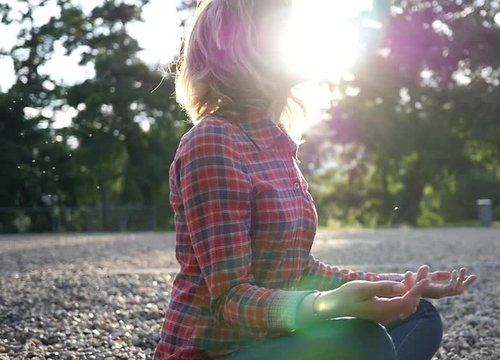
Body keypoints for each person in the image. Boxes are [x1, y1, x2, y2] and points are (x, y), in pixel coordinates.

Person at [154, 1, 477, 359]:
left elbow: (298, 270)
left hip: (272, 339)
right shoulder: (213, 142)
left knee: (419, 315)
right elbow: (229, 301)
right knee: (364, 342)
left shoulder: (275, 142)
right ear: (243, 43)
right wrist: (326, 305)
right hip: (218, 350)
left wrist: (399, 286)